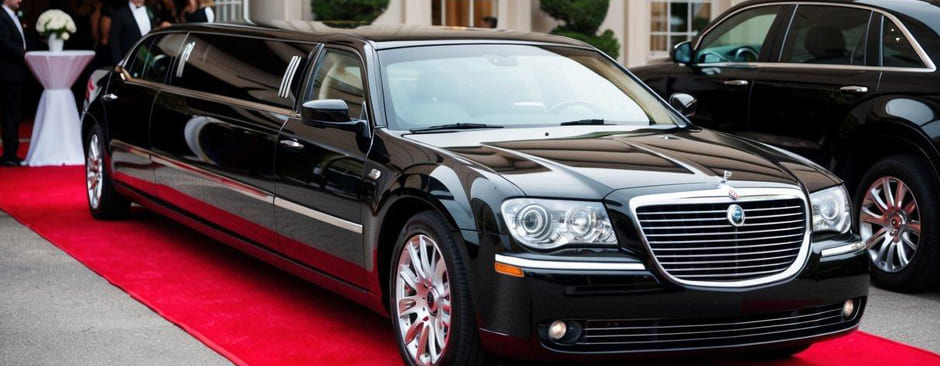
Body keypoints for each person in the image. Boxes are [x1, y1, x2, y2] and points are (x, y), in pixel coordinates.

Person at [0, 0, 27, 166]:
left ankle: (11, 153)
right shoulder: (1, 17)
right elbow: (3, 44)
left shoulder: (11, 16)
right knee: (10, 114)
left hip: (15, 74)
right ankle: (9, 155)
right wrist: (24, 54)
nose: (20, 0)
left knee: (14, 114)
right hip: (7, 75)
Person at [109, 0, 152, 64]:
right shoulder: (119, 14)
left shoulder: (150, 10)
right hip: (129, 61)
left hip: (149, 60)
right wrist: (119, 63)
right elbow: (114, 41)